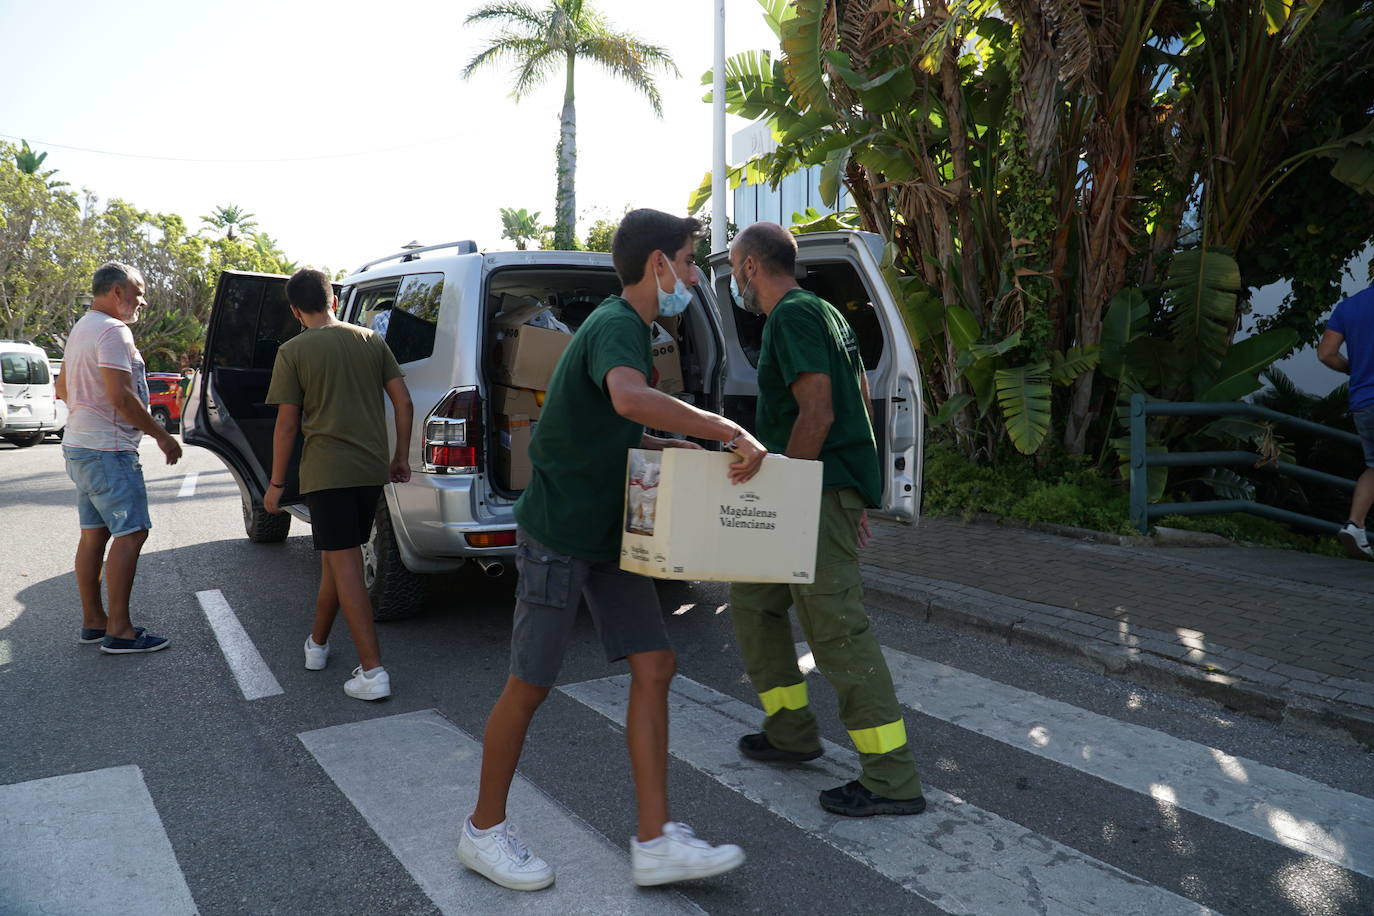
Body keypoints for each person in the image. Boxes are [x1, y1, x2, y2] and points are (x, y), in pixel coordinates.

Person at [458, 209, 767, 892]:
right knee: (530, 685)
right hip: (561, 531)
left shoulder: (627, 326)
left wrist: (668, 446)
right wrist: (725, 431)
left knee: (655, 664)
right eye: (688, 262)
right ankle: (482, 831)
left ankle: (655, 841)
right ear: (657, 264)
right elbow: (628, 399)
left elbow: (608, 421)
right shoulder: (620, 325)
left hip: (605, 531)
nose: (693, 276)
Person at [724, 221, 926, 817]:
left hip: (809, 496)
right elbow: (859, 395)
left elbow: (819, 409)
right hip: (820, 490)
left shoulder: (791, 316)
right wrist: (851, 489)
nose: (735, 277)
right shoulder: (827, 313)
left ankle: (892, 779)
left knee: (836, 631)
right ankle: (791, 732)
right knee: (753, 602)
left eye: (735, 266)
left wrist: (802, 491)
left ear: (750, 268)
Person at [263, 268, 414, 700]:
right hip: (369, 471)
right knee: (337, 558)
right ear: (333, 299)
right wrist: (400, 456)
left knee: (343, 563)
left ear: (295, 310)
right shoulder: (370, 339)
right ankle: (317, 644)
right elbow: (403, 401)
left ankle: (373, 671)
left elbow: (287, 426)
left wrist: (276, 484)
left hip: (326, 473)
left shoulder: (293, 352)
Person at [57, 262, 182, 654]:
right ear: (116, 291)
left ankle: (94, 622)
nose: (141, 300)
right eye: (138, 292)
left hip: (80, 445)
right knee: (133, 532)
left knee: (94, 535)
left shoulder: (82, 327)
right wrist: (163, 436)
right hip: (107, 451)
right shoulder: (113, 331)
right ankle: (121, 631)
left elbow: (61, 387)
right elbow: (121, 396)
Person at [1318, 283, 1374, 559]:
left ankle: (1355, 525)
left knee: (1373, 467)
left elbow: (1326, 353)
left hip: (1364, 401)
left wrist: (1357, 370)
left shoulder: (1349, 306)